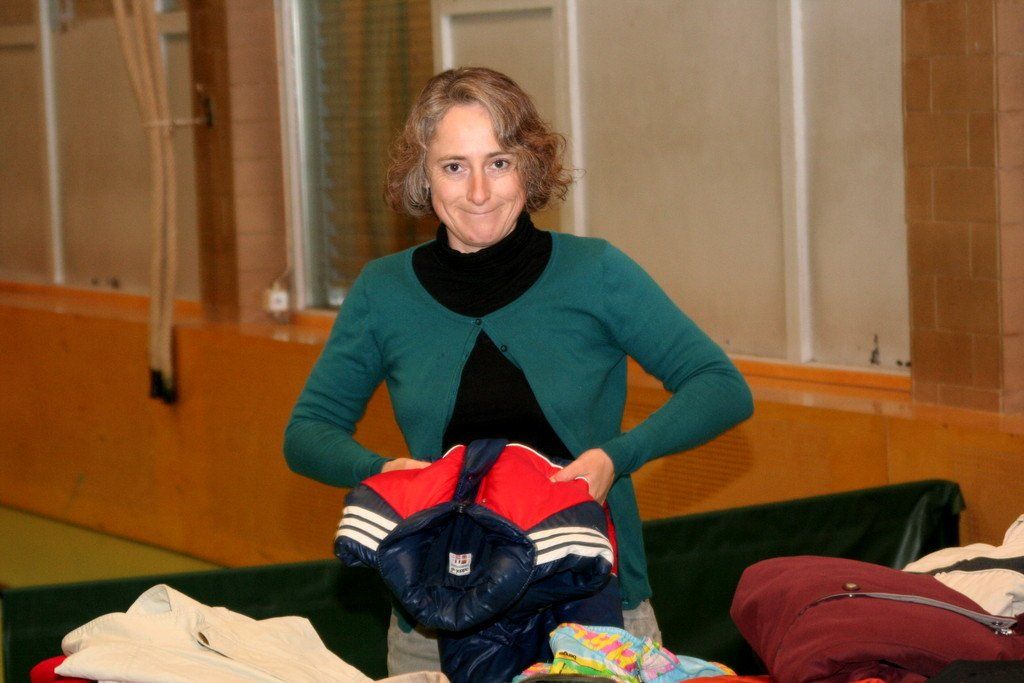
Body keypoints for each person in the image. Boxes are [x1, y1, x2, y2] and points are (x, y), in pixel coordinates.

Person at [284, 66, 754, 676]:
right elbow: (308, 432)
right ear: (423, 176)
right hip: (436, 610)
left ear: (529, 169)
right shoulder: (383, 291)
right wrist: (384, 473)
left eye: (499, 162)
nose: (479, 191)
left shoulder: (595, 271)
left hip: (595, 608)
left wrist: (615, 458)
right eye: (454, 166)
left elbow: (720, 387)